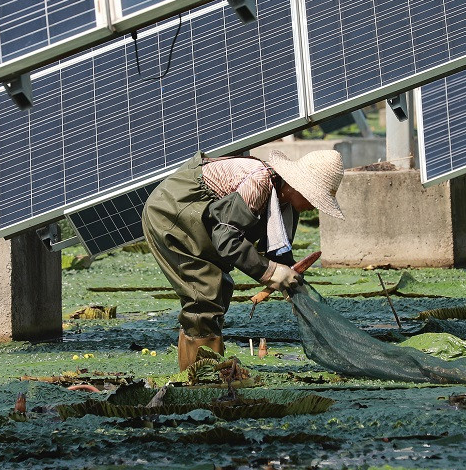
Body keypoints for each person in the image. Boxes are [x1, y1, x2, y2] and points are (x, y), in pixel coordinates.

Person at [141, 149, 345, 370]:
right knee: (204, 296)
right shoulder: (258, 183)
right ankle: (202, 378)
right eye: (314, 198)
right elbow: (227, 240)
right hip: (172, 213)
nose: (314, 206)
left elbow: (279, 252)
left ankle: (203, 370)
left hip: (202, 223)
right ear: (297, 186)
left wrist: (293, 289)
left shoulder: (286, 202)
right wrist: (273, 273)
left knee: (220, 290)